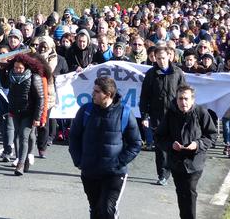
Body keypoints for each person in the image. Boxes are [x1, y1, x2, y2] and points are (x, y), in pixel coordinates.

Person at [68, 76, 142, 219]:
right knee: (95, 209)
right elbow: (74, 138)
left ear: (107, 95)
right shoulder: (85, 111)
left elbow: (136, 143)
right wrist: (79, 161)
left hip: (114, 173)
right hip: (90, 170)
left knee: (107, 209)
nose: (92, 94)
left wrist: (118, 163)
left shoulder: (124, 113)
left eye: (96, 91)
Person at [155, 84, 217, 219]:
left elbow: (211, 136)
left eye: (186, 99)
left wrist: (197, 144)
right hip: (176, 162)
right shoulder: (170, 114)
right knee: (181, 193)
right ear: (176, 100)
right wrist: (171, 145)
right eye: (180, 99)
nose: (183, 102)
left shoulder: (201, 113)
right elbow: (159, 137)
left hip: (194, 163)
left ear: (193, 100)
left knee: (189, 192)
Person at [140, 45, 186, 186]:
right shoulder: (151, 74)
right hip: (157, 115)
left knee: (176, 146)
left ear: (169, 57)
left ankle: (177, 170)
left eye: (163, 58)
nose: (161, 61)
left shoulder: (177, 73)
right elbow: (144, 97)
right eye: (158, 58)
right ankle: (162, 174)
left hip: (174, 115)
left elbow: (184, 94)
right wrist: (145, 116)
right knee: (160, 148)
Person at [7, 54, 45, 175]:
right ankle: (24, 159)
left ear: (26, 67)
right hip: (15, 110)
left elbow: (40, 98)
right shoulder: (11, 76)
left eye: (20, 68)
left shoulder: (34, 77)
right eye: (15, 67)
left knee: (24, 136)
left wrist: (37, 117)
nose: (17, 70)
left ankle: (20, 165)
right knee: (17, 136)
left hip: (29, 112)